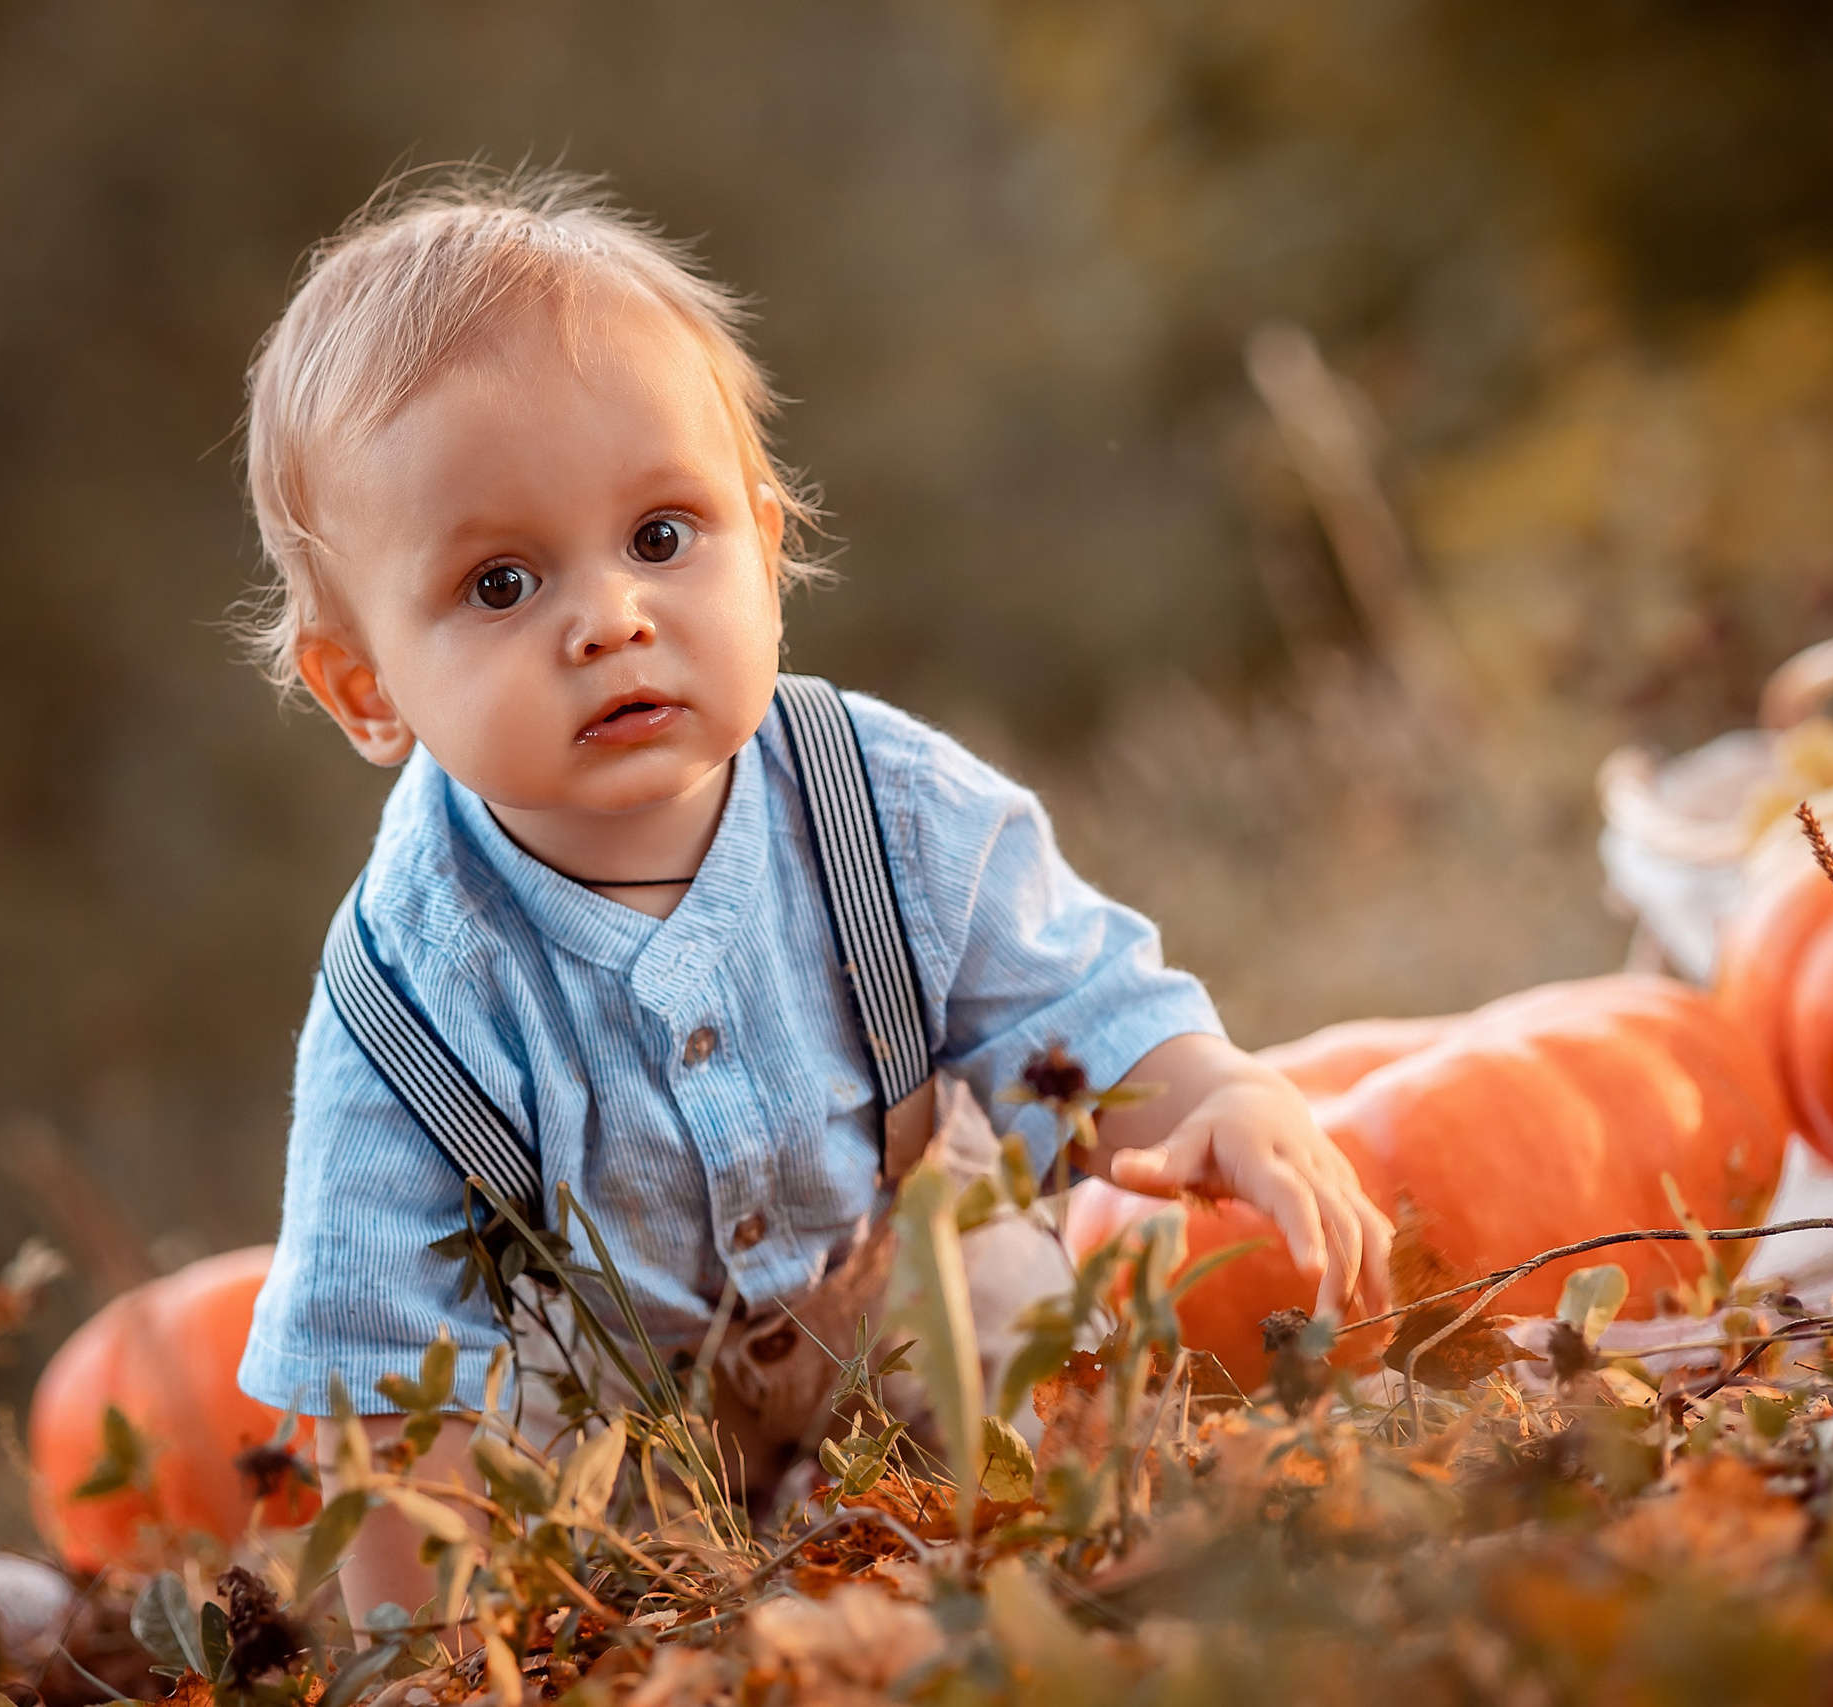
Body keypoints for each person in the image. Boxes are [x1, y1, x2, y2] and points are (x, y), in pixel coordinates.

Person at [230, 170, 1392, 1635]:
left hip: (915, 1305)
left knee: (1035, 1392)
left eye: (663, 536)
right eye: (503, 581)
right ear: (365, 687)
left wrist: (1200, 1091)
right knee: (568, 1537)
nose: (610, 618)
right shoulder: (408, 993)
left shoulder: (875, 799)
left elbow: (1070, 1003)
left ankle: (1058, 1567)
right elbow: (385, 1368)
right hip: (621, 1424)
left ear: (768, 546)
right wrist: (438, 1648)